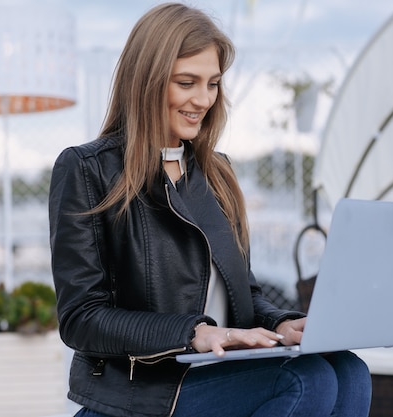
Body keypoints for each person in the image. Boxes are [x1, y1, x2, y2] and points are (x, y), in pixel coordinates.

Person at [49, 3, 372, 417]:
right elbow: (81, 318)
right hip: (148, 389)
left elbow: (246, 295)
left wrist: (280, 324)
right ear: (146, 82)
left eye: (213, 84)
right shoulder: (86, 169)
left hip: (219, 374)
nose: (202, 99)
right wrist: (194, 332)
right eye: (187, 83)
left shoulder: (217, 174)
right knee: (306, 379)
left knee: (350, 370)